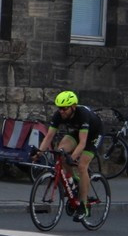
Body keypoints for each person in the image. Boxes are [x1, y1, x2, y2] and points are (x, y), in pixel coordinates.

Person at [34, 90, 103, 221]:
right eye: (59, 108)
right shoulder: (58, 115)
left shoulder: (82, 114)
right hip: (78, 133)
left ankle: (83, 206)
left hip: (93, 136)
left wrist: (73, 158)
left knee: (82, 165)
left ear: (73, 107)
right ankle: (74, 181)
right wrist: (39, 153)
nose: (61, 111)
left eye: (64, 108)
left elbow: (83, 143)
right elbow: (49, 137)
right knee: (61, 151)